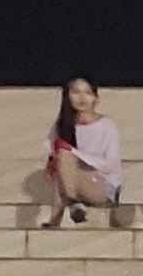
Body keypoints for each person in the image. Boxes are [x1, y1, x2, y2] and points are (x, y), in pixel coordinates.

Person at [41, 77, 123, 229]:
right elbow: (53, 155)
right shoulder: (62, 126)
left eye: (87, 93)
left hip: (104, 187)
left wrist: (73, 153)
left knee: (65, 157)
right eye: (76, 92)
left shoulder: (107, 125)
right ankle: (71, 206)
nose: (81, 98)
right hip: (72, 181)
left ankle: (62, 213)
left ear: (96, 98)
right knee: (63, 162)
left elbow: (110, 164)